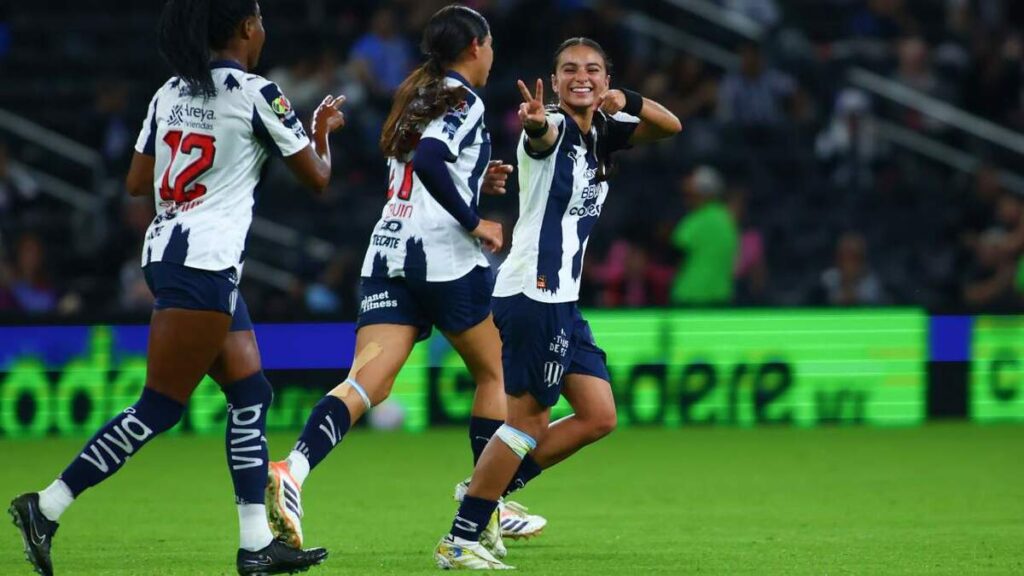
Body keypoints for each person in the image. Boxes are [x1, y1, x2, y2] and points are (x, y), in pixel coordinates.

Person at [8, 1, 345, 574]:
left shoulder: (169, 92)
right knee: (159, 408)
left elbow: (138, 182)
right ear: (246, 28)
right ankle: (46, 505)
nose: (264, 29)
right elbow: (317, 178)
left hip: (173, 253)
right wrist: (320, 136)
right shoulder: (258, 93)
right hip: (204, 265)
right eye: (259, 20)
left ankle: (255, 544)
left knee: (250, 396)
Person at [263, 4, 542, 559]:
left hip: (388, 251)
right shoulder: (464, 98)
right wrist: (475, 220)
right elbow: (435, 161)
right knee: (497, 373)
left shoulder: (417, 94)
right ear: (475, 46)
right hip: (441, 258)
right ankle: (488, 506)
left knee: (367, 382)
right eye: (488, 45)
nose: (491, 54)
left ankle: (292, 469)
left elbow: (422, 166)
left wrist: (473, 177)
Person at [434, 37, 681, 569]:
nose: (580, 76)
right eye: (569, 69)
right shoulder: (555, 127)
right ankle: (462, 537)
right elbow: (540, 136)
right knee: (527, 422)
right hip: (532, 292)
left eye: (592, 69)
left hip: (563, 301)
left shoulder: (604, 132)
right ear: (555, 78)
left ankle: (486, 488)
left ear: (606, 79)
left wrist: (628, 101)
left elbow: (671, 126)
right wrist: (534, 121)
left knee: (598, 415)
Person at [670, 166, 739, 306]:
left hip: (691, 294)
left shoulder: (696, 220)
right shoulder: (727, 219)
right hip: (721, 294)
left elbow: (676, 247)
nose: (686, 199)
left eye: (689, 194)